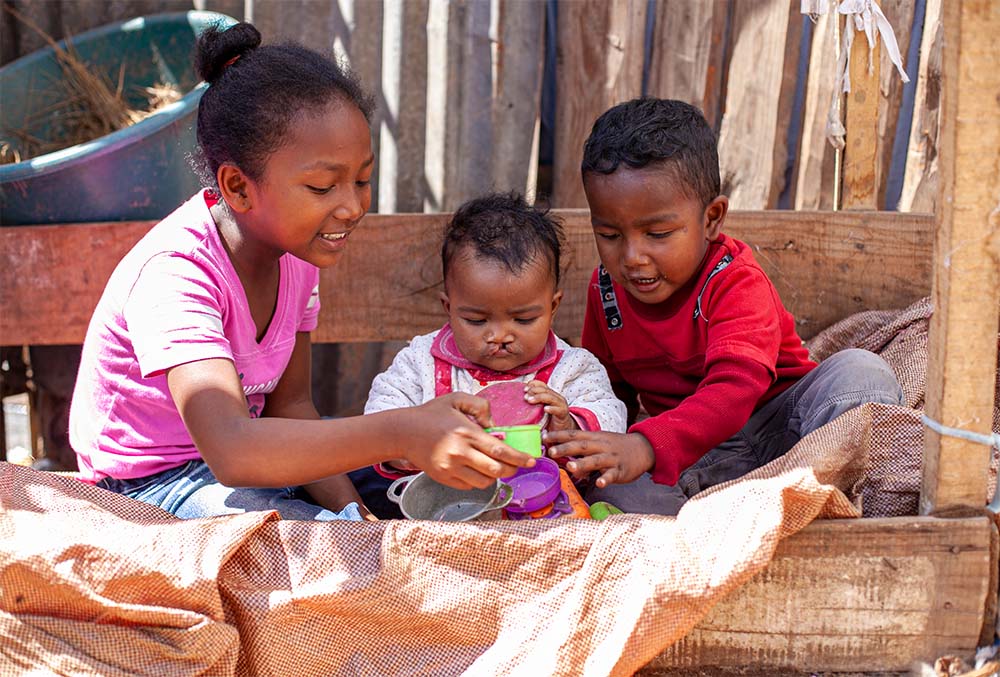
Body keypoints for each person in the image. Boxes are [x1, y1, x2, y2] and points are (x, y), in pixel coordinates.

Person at [68, 22, 535, 522]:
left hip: (250, 454)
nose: (352, 206)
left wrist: (357, 513)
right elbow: (232, 450)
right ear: (238, 187)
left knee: (391, 480)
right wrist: (403, 430)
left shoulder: (296, 256)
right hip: (148, 482)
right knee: (283, 533)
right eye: (321, 187)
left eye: (361, 179)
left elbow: (289, 409)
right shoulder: (175, 277)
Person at [544, 98, 903, 516]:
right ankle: (750, 515)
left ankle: (816, 497)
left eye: (658, 233)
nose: (632, 257)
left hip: (785, 432)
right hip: (694, 459)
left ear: (712, 218)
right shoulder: (607, 294)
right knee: (612, 495)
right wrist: (587, 435)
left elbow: (735, 392)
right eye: (609, 234)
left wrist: (644, 445)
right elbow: (608, 394)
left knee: (862, 375)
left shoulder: (735, 280)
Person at [351, 193, 627, 518]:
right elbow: (382, 414)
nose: (500, 336)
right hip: (442, 509)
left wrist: (567, 423)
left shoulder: (572, 368)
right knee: (363, 480)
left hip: (546, 512)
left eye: (523, 319)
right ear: (449, 308)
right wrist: (408, 446)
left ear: (552, 307)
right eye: (477, 321)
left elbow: (610, 416)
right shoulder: (421, 361)